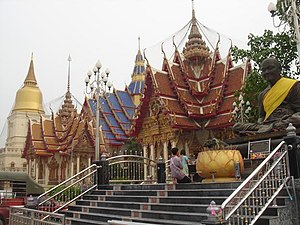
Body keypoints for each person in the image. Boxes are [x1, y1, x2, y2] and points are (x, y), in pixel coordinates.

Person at [233, 58, 300, 134]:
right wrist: (261, 124)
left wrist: (278, 124)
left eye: (270, 68)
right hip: (265, 125)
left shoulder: (293, 86)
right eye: (263, 70)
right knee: (237, 126)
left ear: (279, 69)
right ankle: (267, 129)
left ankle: (269, 128)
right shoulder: (262, 94)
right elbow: (261, 117)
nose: (267, 72)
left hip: (283, 122)